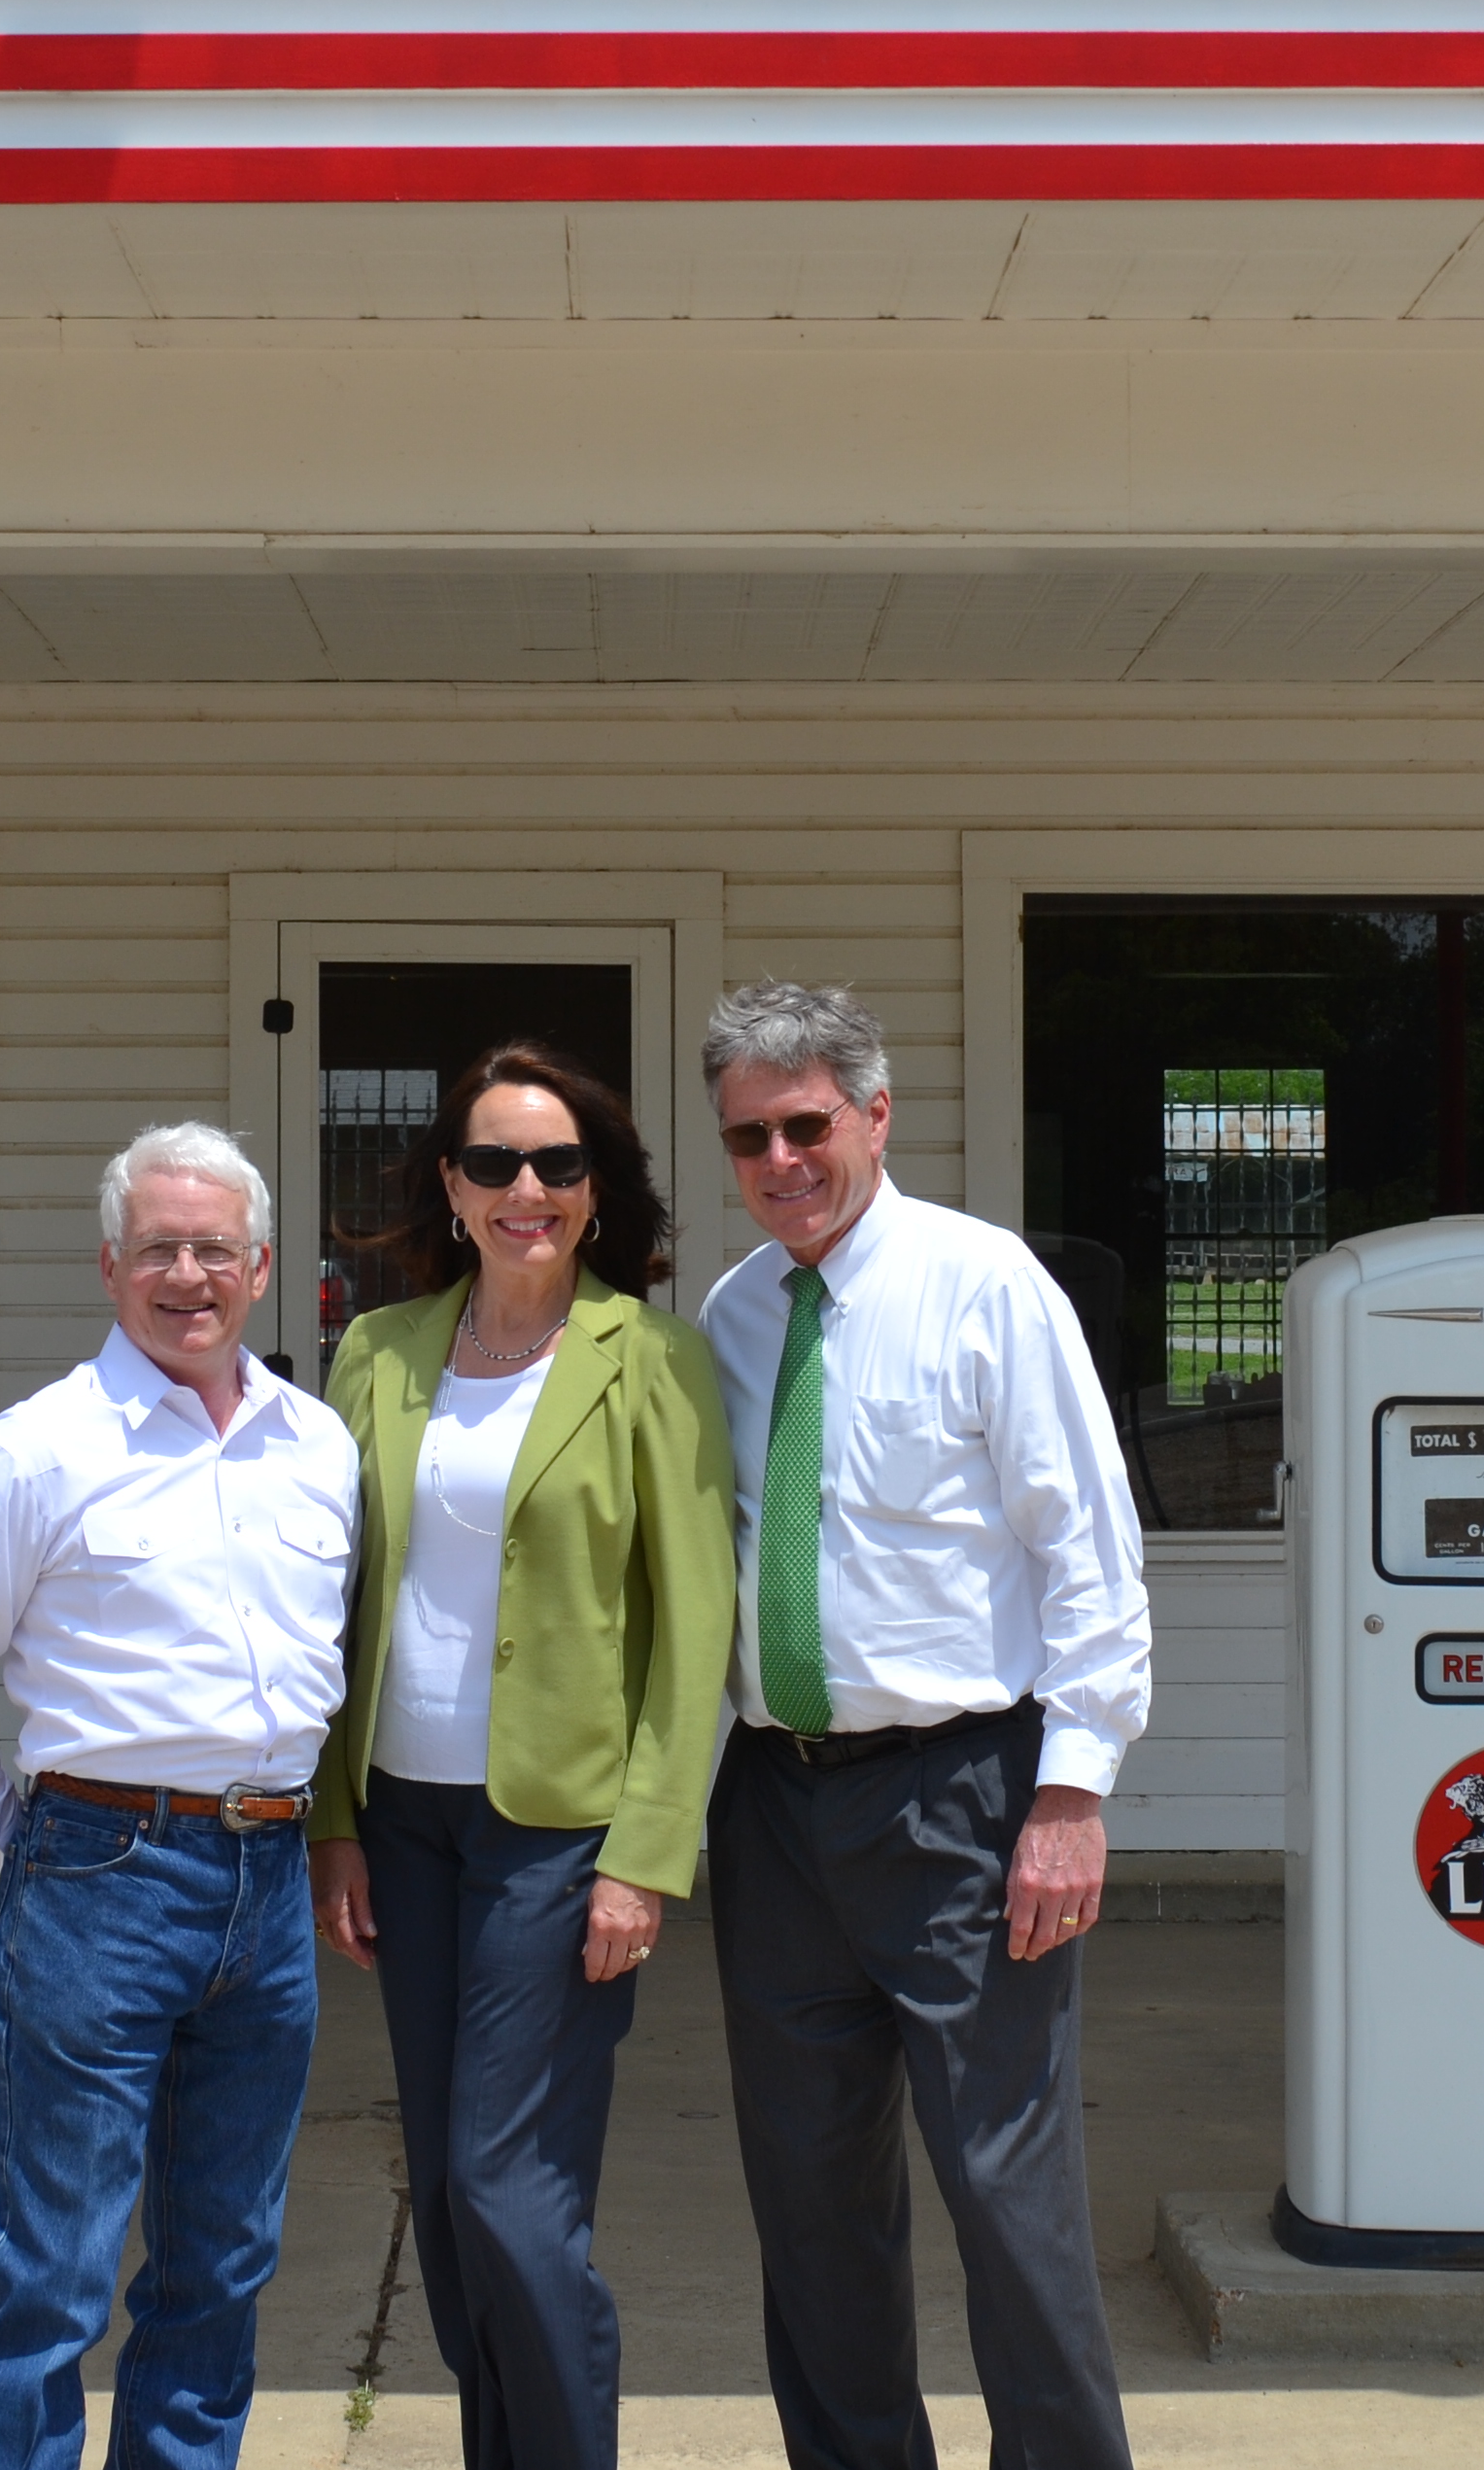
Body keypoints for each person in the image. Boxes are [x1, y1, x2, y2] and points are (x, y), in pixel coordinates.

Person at [689, 980, 1153, 2470]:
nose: (781, 1162)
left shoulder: (985, 1283)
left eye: (807, 1125)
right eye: (750, 1136)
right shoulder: (733, 1314)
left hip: (961, 1798)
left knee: (1010, 2199)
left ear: (875, 1116)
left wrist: (1071, 1794)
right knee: (812, 2211)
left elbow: (1088, 1545)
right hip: (775, 1806)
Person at [0, 1124, 363, 2470]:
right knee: (52, 2274)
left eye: (214, 1249)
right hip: (96, 1880)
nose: (187, 1275)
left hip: (264, 1895)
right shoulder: (38, 1453)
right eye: (159, 1248)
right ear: (110, 1266)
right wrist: (23, 1846)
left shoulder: (316, 1448)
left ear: (263, 1268)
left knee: (222, 2263)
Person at [305, 1043, 738, 2470]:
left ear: (598, 1193)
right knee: (443, 2187)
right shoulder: (378, 1352)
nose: (526, 1189)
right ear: (450, 1185)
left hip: (559, 1837)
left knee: (508, 2184)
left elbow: (693, 1629)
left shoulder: (654, 1361)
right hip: (406, 1823)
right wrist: (336, 1821)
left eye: (557, 1165)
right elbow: (335, 1594)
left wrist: (646, 1856)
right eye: (493, 1163)